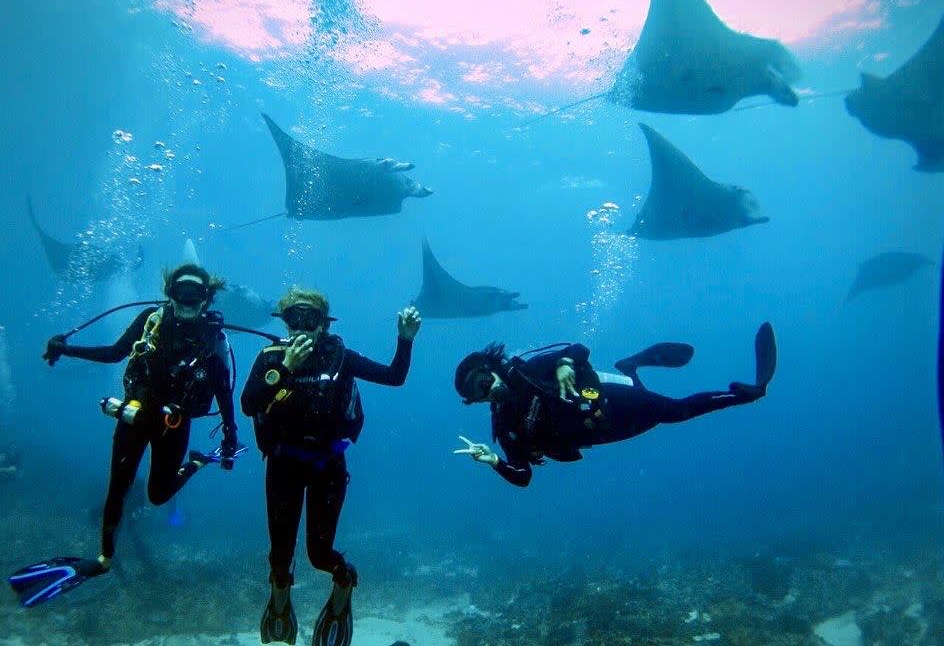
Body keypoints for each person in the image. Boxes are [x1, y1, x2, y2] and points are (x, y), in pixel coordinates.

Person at [8, 264, 241, 608]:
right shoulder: (151, 320)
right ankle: (104, 558)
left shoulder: (212, 336)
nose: (187, 300)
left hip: (174, 424)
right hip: (135, 416)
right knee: (117, 488)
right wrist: (67, 348)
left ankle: (194, 463)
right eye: (181, 291)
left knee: (158, 495)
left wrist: (230, 434)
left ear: (206, 299)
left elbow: (222, 388)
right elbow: (115, 352)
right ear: (170, 293)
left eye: (195, 294)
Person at [241, 287, 421, 646]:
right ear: (285, 322)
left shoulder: (339, 357)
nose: (301, 325)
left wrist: (405, 339)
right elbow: (248, 404)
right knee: (280, 555)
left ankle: (343, 581)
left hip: (328, 468)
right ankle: (279, 597)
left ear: (323, 324)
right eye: (294, 317)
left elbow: (394, 376)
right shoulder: (271, 358)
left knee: (319, 554)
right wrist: (285, 367)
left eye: (310, 318)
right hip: (283, 466)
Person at [453, 323, 776, 487]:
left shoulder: (530, 372)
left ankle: (749, 393)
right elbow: (523, 477)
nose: (487, 392)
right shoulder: (506, 428)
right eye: (477, 394)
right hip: (604, 432)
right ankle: (630, 368)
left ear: (492, 369)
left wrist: (564, 363)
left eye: (483, 381)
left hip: (608, 401)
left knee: (676, 412)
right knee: (659, 417)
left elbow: (579, 349)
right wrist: (493, 460)